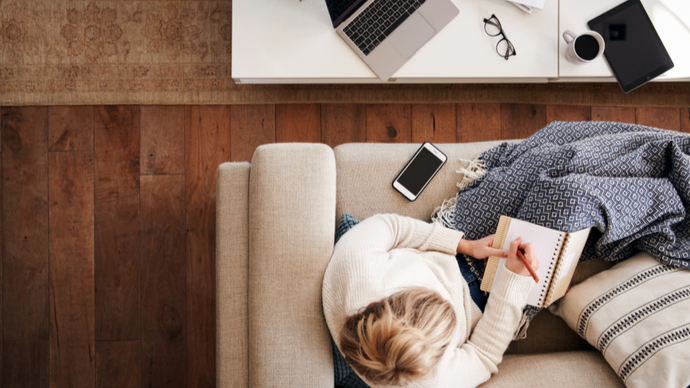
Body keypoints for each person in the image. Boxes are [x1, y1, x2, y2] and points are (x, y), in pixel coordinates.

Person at [322, 213, 539, 388]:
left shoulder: (354, 268)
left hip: (454, 246)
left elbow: (391, 226)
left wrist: (465, 245)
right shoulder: (432, 381)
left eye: (429, 295)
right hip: (489, 300)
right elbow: (483, 356)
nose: (443, 295)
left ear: (376, 303)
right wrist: (513, 279)